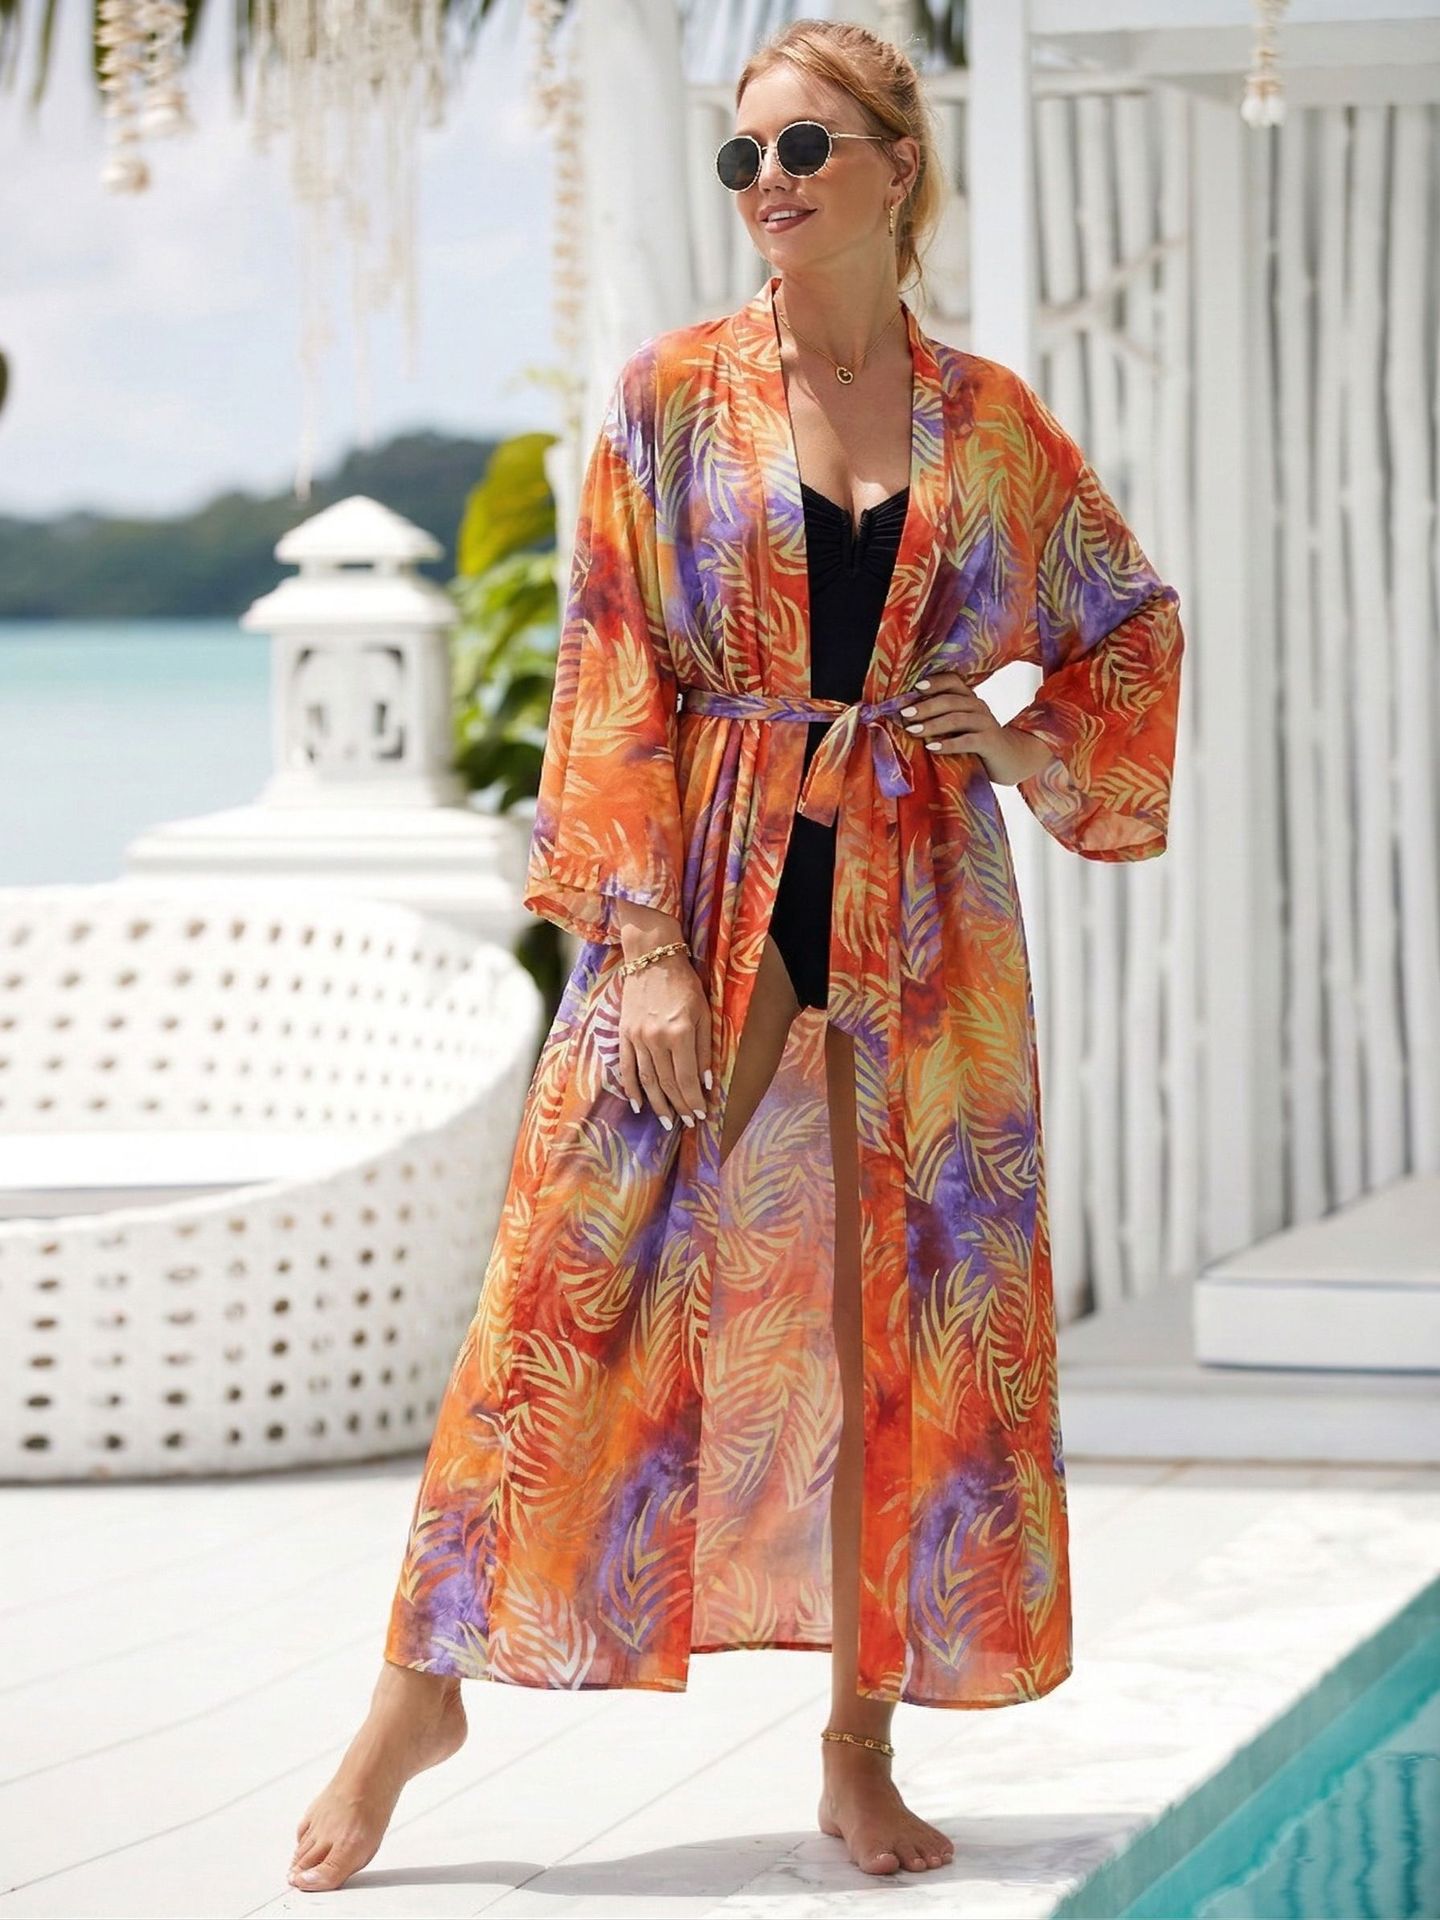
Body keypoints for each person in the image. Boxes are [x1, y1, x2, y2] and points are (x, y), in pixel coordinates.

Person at [288, 19, 1184, 1893]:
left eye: (803, 149)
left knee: (893, 1325)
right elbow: (609, 660)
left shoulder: (990, 421)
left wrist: (1016, 740)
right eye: (743, 157)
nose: (767, 183)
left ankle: (859, 1752)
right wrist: (648, 952)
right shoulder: (672, 396)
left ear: (895, 168)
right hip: (709, 874)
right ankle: (414, 1694)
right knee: (571, 1277)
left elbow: (1126, 623)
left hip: (921, 893)